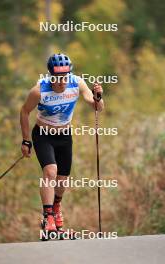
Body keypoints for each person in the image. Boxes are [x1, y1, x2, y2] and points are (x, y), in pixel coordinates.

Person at [20, 53, 104, 234]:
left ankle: (56, 209)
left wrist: (98, 97)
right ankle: (47, 217)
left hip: (64, 136)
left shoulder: (77, 83)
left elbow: (97, 107)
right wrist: (26, 140)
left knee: (62, 180)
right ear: (50, 75)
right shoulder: (39, 90)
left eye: (64, 77)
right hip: (43, 135)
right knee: (50, 171)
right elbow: (25, 111)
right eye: (57, 78)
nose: (61, 82)